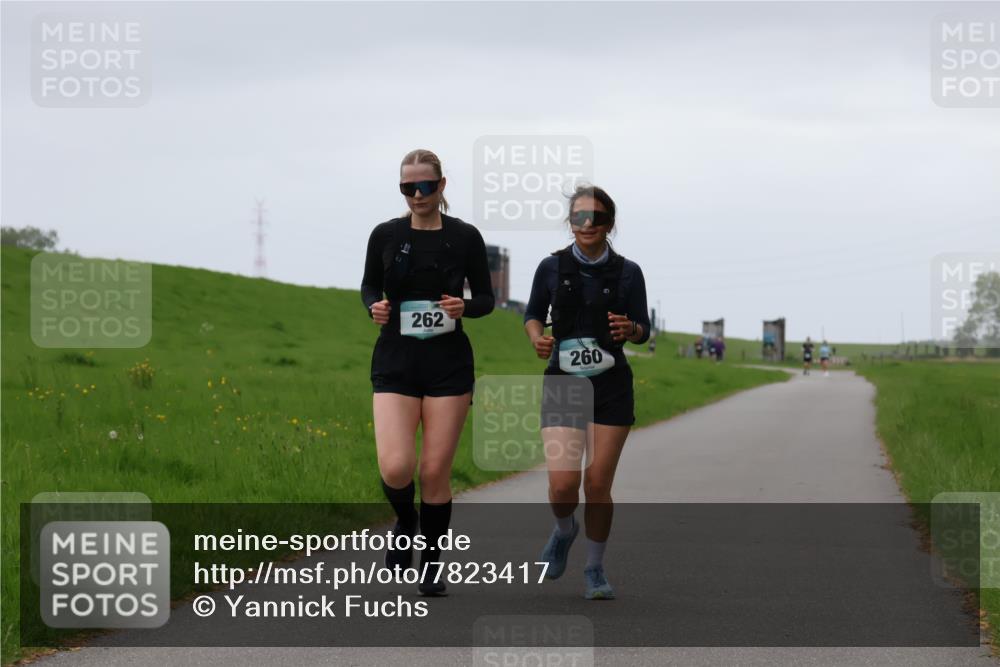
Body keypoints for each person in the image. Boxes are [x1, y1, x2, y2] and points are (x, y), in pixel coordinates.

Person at [361, 148, 495, 596]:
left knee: (435, 471)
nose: (417, 194)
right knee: (397, 467)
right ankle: (405, 520)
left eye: (425, 186)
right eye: (408, 187)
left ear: (442, 186)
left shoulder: (465, 237)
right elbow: (368, 286)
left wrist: (464, 307)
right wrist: (374, 307)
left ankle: (432, 564)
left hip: (448, 364)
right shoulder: (385, 234)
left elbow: (486, 300)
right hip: (396, 361)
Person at [523, 185, 650, 600]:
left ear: (609, 223)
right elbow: (532, 315)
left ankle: (594, 568)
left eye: (596, 217)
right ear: (570, 222)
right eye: (579, 217)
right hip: (563, 383)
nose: (587, 224)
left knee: (596, 485)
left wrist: (631, 329)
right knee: (563, 486)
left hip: (611, 387)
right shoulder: (550, 267)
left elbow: (644, 329)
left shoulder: (629, 272)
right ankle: (564, 530)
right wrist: (537, 338)